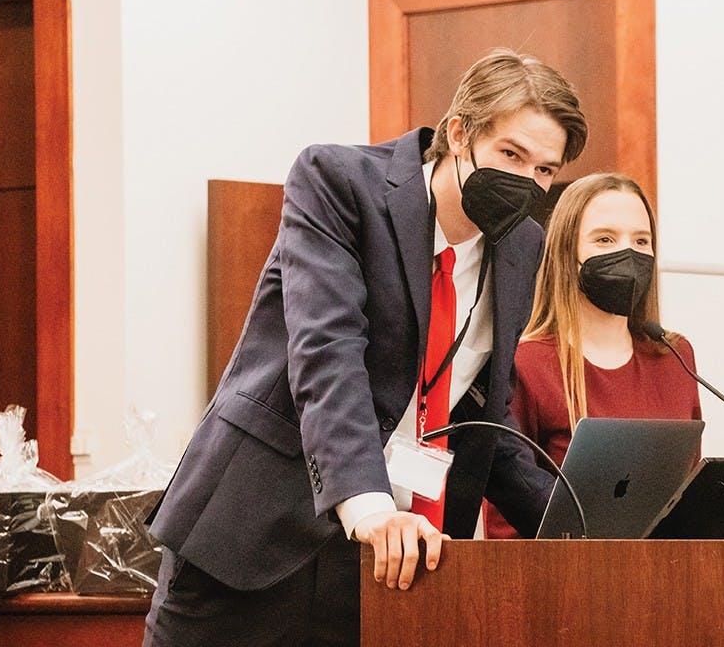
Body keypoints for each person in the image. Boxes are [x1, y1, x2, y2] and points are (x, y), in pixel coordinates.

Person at [143, 48, 587, 646]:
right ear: (459, 134)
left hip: (389, 564)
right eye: (511, 154)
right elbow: (328, 357)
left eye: (544, 170)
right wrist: (370, 509)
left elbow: (482, 412)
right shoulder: (338, 182)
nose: (526, 182)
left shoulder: (521, 245)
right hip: (254, 540)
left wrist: (579, 525)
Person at [484, 172, 702, 539]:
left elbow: (690, 493)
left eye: (641, 240)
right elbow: (506, 524)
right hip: (564, 582)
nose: (627, 253)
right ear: (568, 255)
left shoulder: (674, 355)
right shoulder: (527, 362)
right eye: (605, 239)